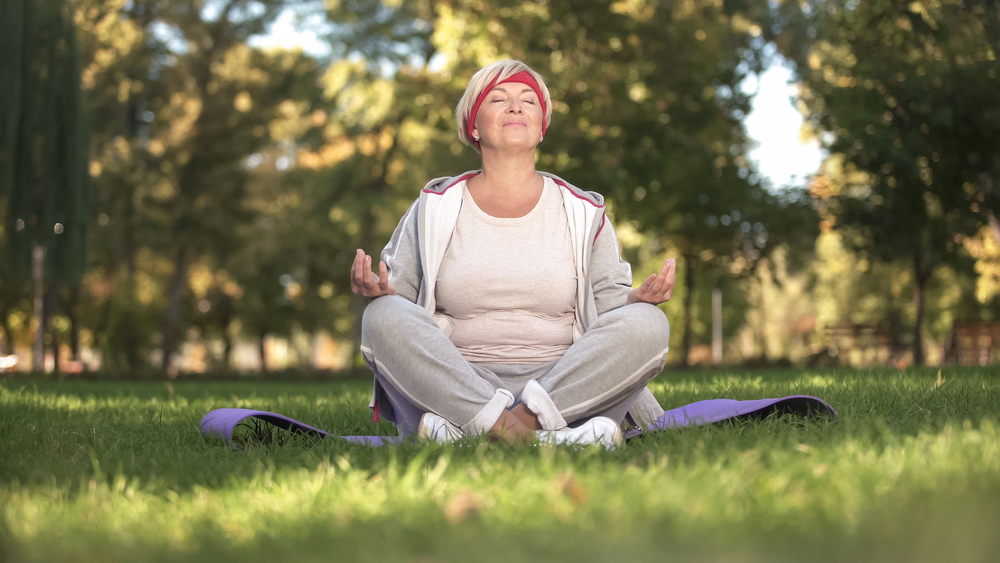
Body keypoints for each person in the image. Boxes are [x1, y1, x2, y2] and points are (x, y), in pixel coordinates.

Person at [351, 60, 673, 448]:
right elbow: (404, 305)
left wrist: (636, 300)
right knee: (381, 316)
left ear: (542, 128)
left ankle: (480, 436)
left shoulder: (584, 212)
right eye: (498, 99)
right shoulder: (433, 207)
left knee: (649, 322)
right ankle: (555, 440)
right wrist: (381, 294)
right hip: (459, 383)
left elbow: (607, 310)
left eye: (528, 101)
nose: (516, 107)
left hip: (563, 385)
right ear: (473, 126)